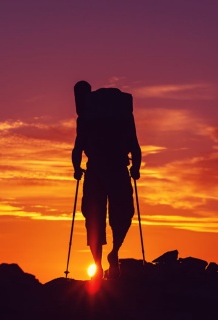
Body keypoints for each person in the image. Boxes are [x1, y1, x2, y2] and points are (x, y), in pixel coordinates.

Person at [72, 80, 141, 280]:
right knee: (123, 213)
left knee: (93, 220)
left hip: (95, 172)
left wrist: (77, 169)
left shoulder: (85, 117)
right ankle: (114, 253)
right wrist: (135, 167)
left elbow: (78, 147)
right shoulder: (122, 115)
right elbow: (135, 145)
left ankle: (98, 266)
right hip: (118, 169)